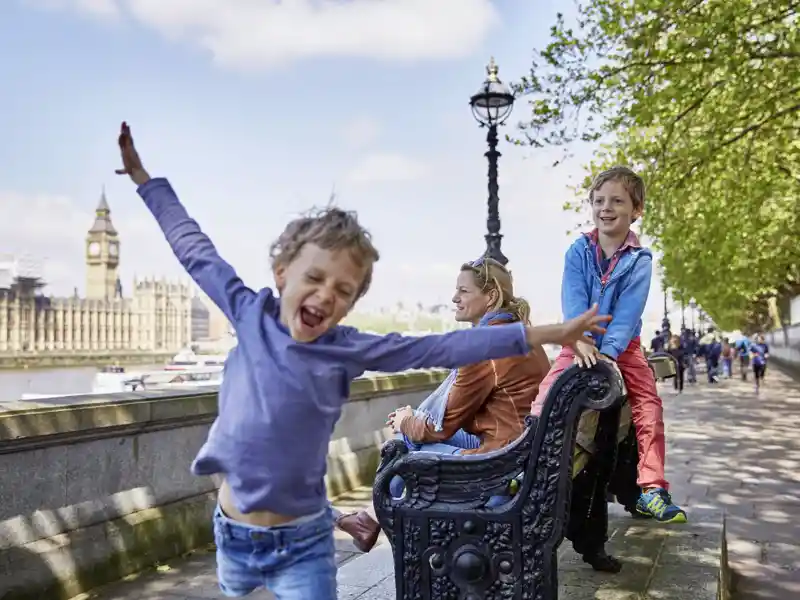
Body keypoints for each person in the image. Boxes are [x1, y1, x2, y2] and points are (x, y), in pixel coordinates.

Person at [114, 122, 611, 599]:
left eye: (343, 290)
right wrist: (144, 180)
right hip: (236, 538)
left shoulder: (348, 347)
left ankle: (339, 521)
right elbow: (194, 249)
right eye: (314, 277)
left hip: (306, 539)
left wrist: (554, 331)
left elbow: (446, 348)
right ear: (282, 271)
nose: (326, 294)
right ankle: (347, 519)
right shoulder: (247, 312)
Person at [337, 258, 552, 550]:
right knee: (410, 440)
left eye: (463, 291)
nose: (454, 298)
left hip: (502, 462)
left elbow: (441, 427)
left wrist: (406, 421)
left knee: (407, 453)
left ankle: (403, 541)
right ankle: (372, 521)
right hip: (521, 447)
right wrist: (414, 422)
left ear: (490, 297)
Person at [531, 166, 687, 525]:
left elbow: (628, 313)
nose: (606, 207)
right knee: (545, 396)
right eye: (599, 200)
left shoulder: (640, 260)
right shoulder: (578, 251)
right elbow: (573, 298)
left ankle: (652, 488)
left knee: (648, 405)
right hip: (581, 342)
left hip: (623, 347)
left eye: (617, 200)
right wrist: (580, 338)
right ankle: (528, 466)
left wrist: (609, 355)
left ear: (637, 209)